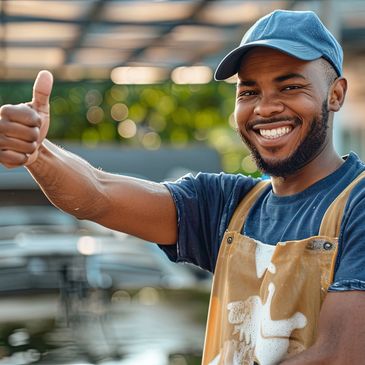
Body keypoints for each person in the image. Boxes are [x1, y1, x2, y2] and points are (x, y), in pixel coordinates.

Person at [1, 8, 364, 365]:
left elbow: (340, 356)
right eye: (249, 92)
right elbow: (98, 194)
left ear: (335, 94)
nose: (265, 108)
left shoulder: (357, 204)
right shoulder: (227, 205)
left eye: (290, 86)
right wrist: (36, 153)